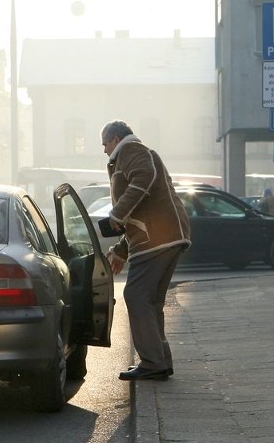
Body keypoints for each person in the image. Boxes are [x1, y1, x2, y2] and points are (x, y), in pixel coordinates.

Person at [100, 120, 191, 381]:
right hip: (163, 236)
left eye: (105, 144)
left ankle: (152, 362)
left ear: (116, 139)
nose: (104, 150)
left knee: (136, 294)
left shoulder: (132, 151)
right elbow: (142, 210)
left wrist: (117, 213)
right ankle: (160, 360)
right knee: (150, 301)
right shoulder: (135, 153)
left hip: (157, 239)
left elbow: (144, 177)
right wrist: (120, 249)